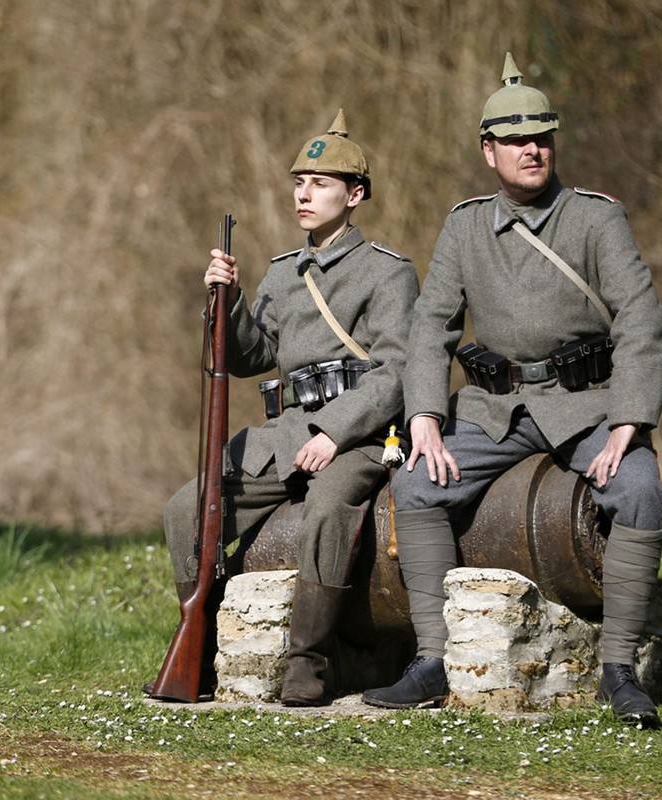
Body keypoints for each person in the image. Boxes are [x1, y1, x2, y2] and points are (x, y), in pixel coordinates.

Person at [360, 54, 662, 728]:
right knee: (415, 484)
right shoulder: (465, 226)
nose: (531, 150)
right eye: (515, 140)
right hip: (493, 410)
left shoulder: (595, 220)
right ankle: (434, 659)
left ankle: (620, 669)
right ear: (488, 152)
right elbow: (429, 328)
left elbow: (642, 321)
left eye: (542, 138)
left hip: (588, 407)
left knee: (640, 489)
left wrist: (629, 422)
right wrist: (422, 416)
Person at [157, 110, 419, 706]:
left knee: (328, 507)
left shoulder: (387, 272)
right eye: (299, 182)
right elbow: (251, 355)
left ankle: (310, 661)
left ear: (354, 196)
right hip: (286, 432)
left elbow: (397, 372)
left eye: (321, 183)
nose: (304, 193)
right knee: (186, 508)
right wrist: (225, 300)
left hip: (363, 434)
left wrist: (333, 431)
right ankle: (201, 641)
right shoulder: (283, 273)